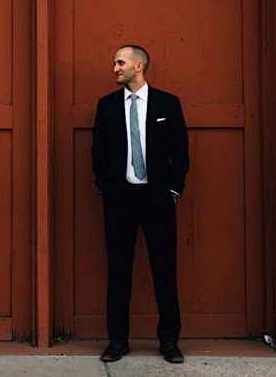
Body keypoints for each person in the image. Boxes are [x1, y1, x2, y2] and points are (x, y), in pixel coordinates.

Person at [91, 45, 189, 364]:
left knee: (165, 270)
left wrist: (173, 189)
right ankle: (118, 340)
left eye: (121, 62)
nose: (115, 68)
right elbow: (99, 151)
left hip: (157, 200)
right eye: (114, 63)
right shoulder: (106, 106)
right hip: (120, 200)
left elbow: (181, 151)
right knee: (118, 271)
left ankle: (169, 341)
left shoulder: (167, 103)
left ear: (139, 66)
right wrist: (108, 189)